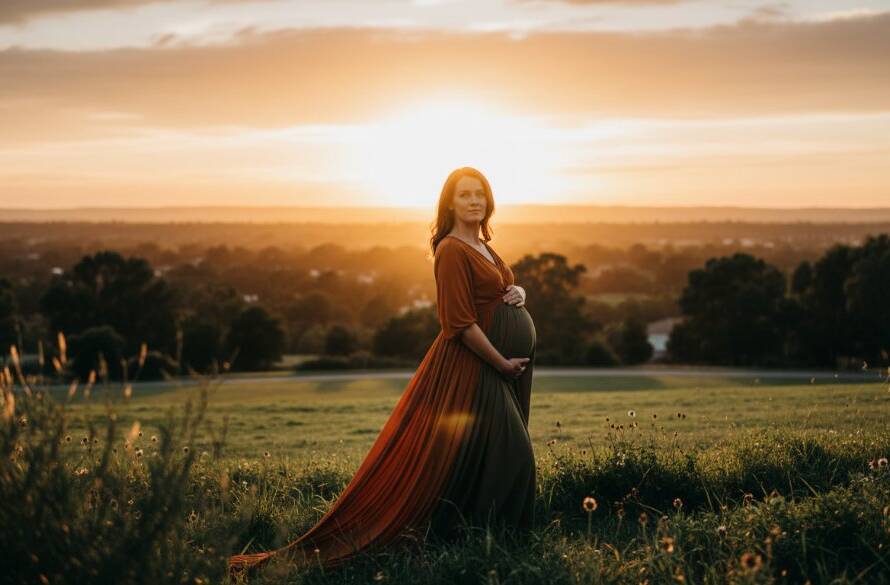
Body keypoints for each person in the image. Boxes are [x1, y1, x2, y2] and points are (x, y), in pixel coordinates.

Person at [228, 166, 537, 579]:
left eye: (480, 194)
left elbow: (500, 291)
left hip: (497, 365)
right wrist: (500, 363)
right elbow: (458, 323)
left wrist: (518, 292)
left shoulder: (483, 246)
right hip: (475, 367)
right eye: (464, 195)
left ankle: (483, 539)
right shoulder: (450, 250)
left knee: (485, 455)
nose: (474, 201)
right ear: (449, 203)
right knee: (513, 454)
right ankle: (492, 539)